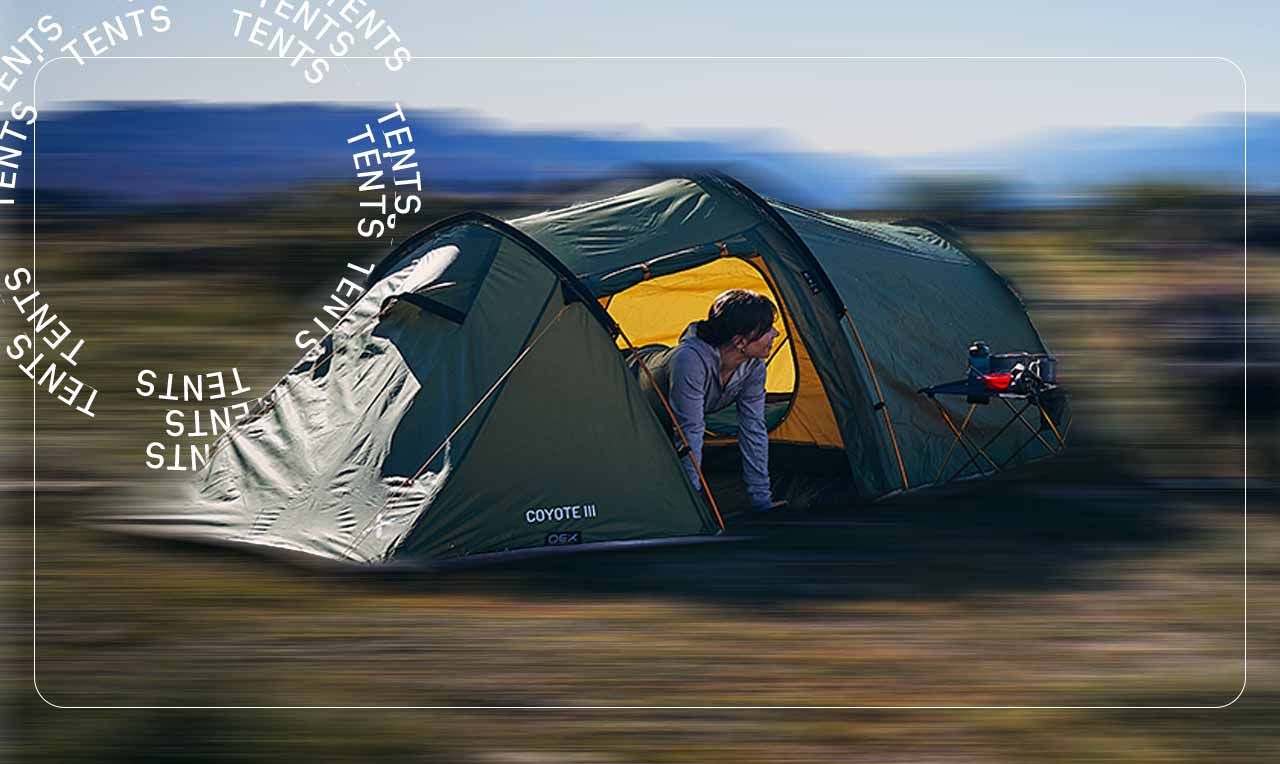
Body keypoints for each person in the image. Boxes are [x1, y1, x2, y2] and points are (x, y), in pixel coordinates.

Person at [630, 289, 785, 514]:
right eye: (767, 329)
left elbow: (753, 428)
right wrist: (692, 509)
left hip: (671, 410)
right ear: (740, 341)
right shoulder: (689, 361)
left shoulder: (754, 365)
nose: (776, 333)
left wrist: (761, 501)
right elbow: (689, 431)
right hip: (632, 383)